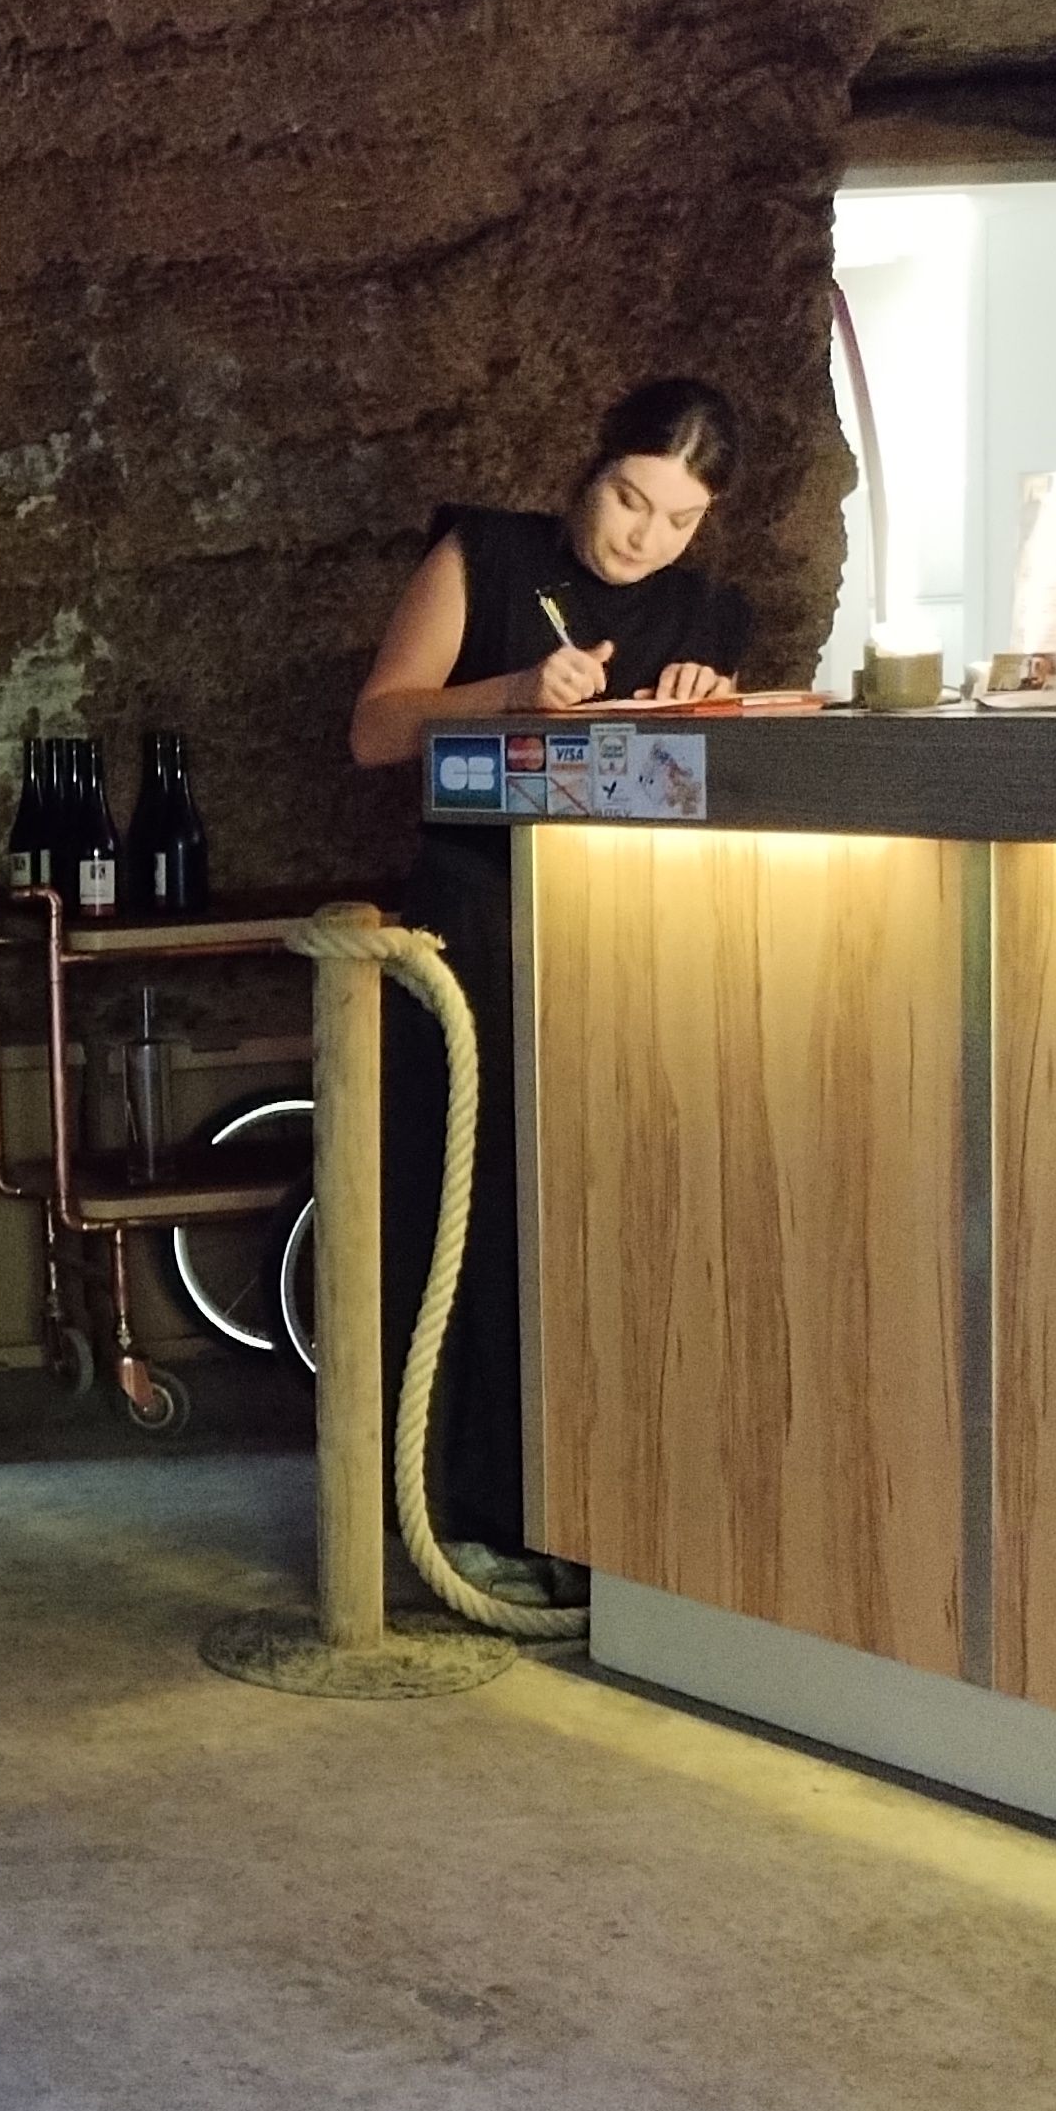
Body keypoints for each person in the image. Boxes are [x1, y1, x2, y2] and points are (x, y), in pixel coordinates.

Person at [347, 376, 754, 1596]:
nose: (644, 535)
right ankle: (460, 1508)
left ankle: (599, 1506)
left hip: (620, 931)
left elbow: (713, 786)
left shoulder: (708, 612)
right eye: (629, 498)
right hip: (473, 916)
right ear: (591, 467)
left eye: (678, 518)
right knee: (470, 1211)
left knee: (598, 1203)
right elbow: (376, 728)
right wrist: (513, 692)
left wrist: (715, 712)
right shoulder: (486, 555)